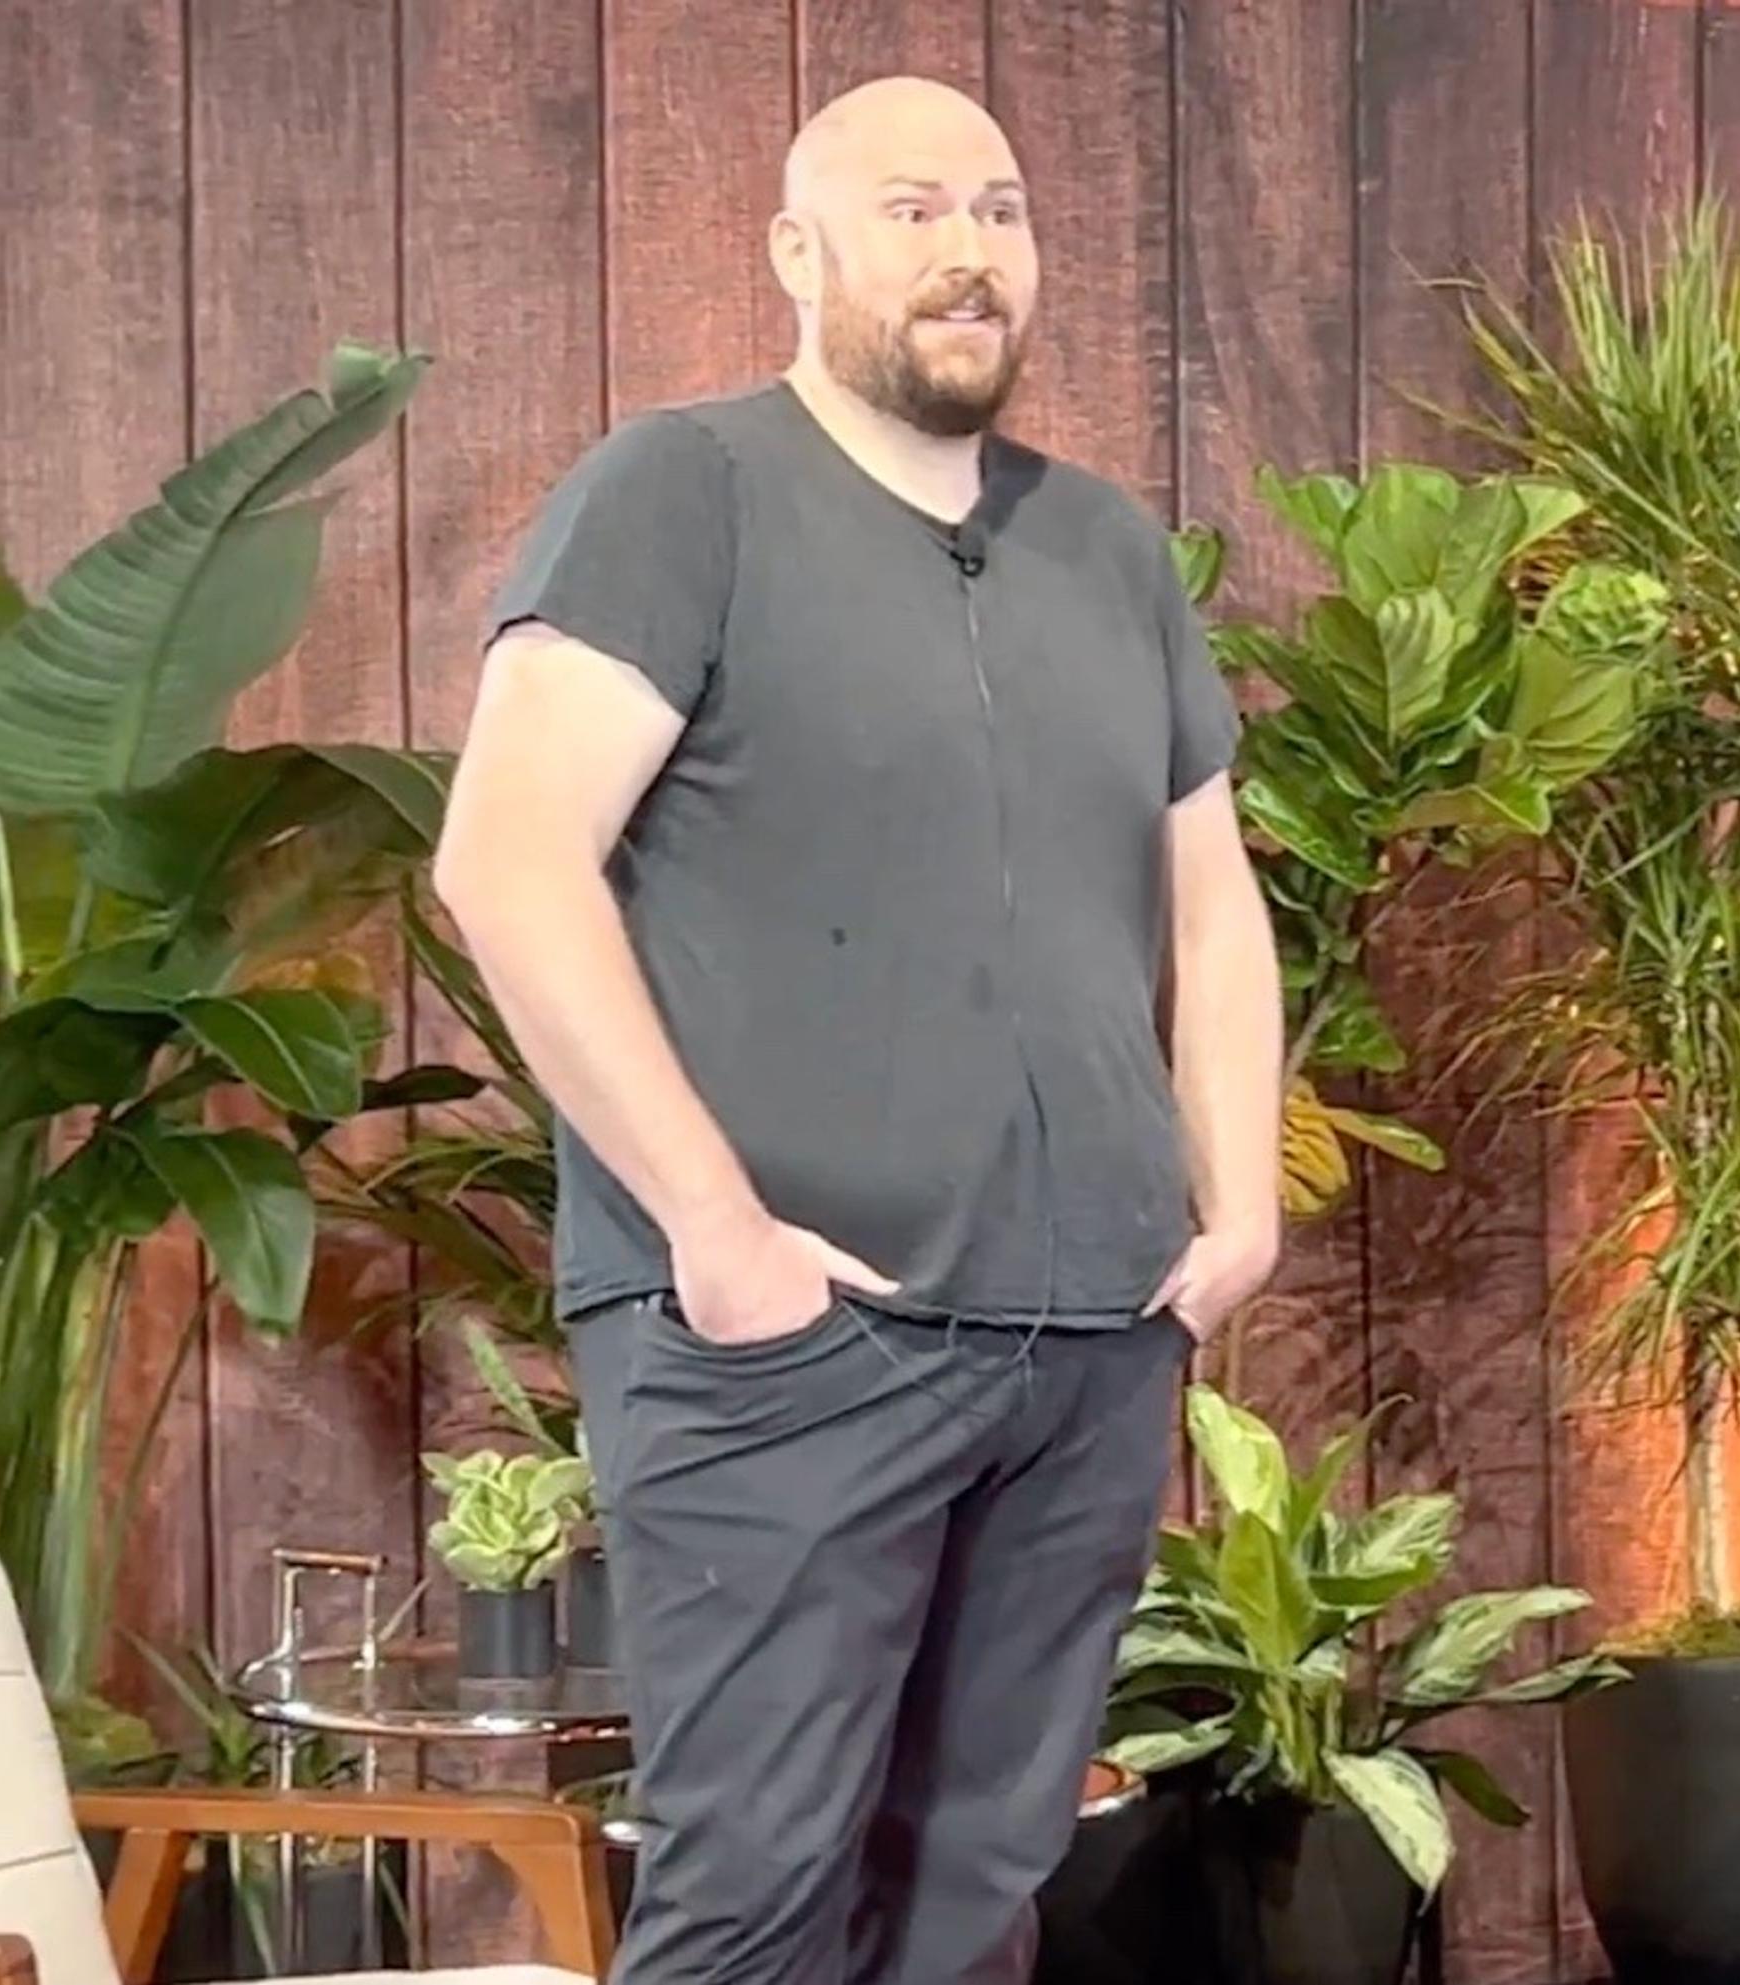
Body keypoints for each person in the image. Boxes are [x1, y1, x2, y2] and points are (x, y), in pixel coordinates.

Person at [433, 75, 1283, 1984]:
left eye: (999, 210)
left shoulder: (1109, 551)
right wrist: (720, 1240)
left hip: (1089, 1346)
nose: (969, 251)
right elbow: (505, 861)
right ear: (800, 255)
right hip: (793, 1350)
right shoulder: (684, 490)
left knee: (973, 1906)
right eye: (913, 211)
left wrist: (1239, 1216)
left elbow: (1213, 901)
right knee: (758, 1902)